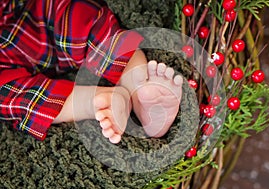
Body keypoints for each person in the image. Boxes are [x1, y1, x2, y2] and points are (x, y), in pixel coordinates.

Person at [0, 0, 183, 144]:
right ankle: (97, 103)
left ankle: (139, 86)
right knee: (16, 98)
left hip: (25, 13)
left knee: (79, 16)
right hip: (5, 63)